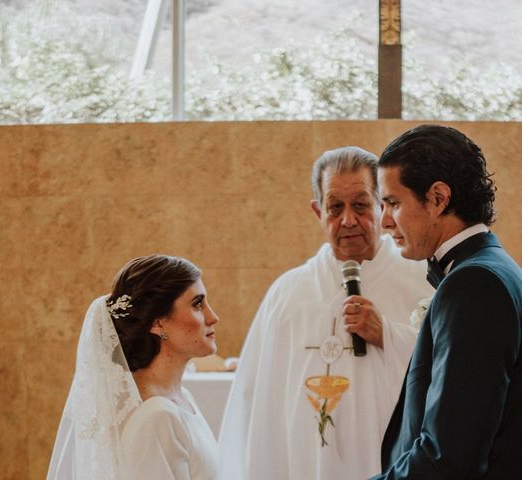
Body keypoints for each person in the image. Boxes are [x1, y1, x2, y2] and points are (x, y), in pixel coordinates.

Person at [218, 146, 433, 480]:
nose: (347, 220)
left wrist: (388, 335)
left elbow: (452, 377)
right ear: (318, 211)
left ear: (382, 206)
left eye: (360, 205)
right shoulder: (288, 294)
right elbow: (256, 403)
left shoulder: (421, 281)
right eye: (335, 207)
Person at [372, 124, 522, 479]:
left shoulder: (475, 285)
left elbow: (448, 458)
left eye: (393, 203)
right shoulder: (492, 269)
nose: (384, 222)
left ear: (438, 197)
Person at [47, 254, 221, 480]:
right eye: (197, 304)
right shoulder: (156, 416)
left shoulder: (181, 398)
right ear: (157, 323)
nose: (213, 317)